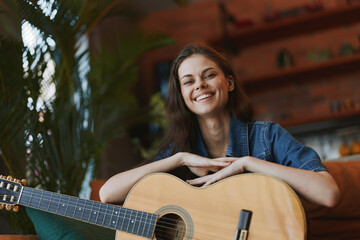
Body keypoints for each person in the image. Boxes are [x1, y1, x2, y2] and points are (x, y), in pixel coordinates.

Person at [99, 43, 339, 207]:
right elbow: (107, 193)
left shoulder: (267, 136)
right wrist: (180, 159)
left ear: (230, 82)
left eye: (209, 75)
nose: (200, 85)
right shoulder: (180, 150)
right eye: (188, 81)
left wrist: (247, 163)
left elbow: (329, 193)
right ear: (182, 95)